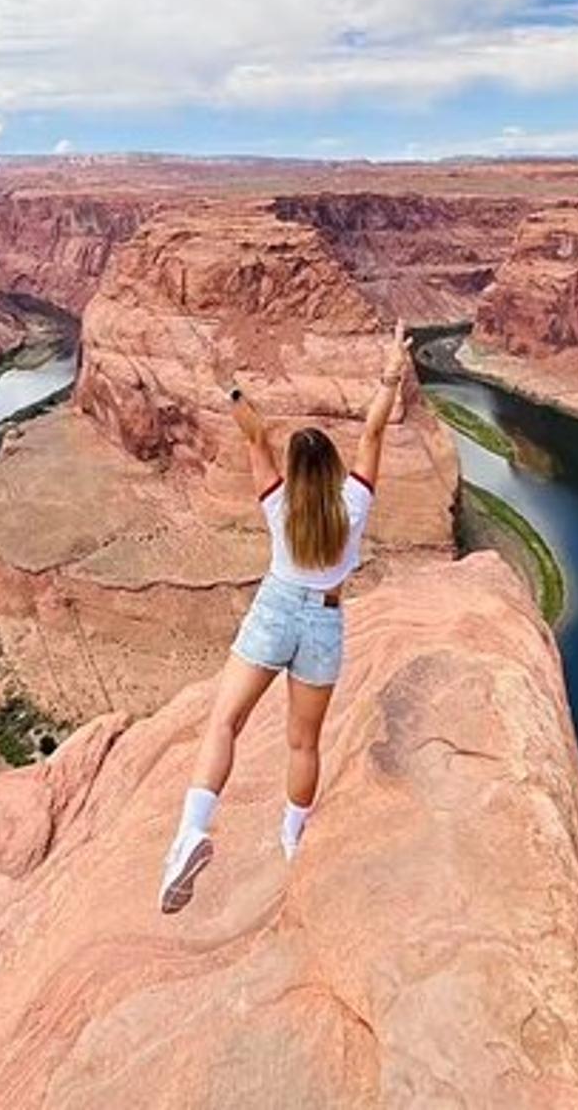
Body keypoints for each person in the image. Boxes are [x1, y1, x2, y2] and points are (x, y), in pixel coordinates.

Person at [158, 321, 412, 914]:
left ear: (297, 476)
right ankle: (293, 839)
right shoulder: (354, 503)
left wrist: (228, 386)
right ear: (331, 473)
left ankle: (192, 832)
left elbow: (258, 439)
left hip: (274, 609)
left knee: (224, 725)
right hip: (324, 623)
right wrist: (391, 373)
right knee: (304, 744)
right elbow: (374, 430)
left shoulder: (279, 505)